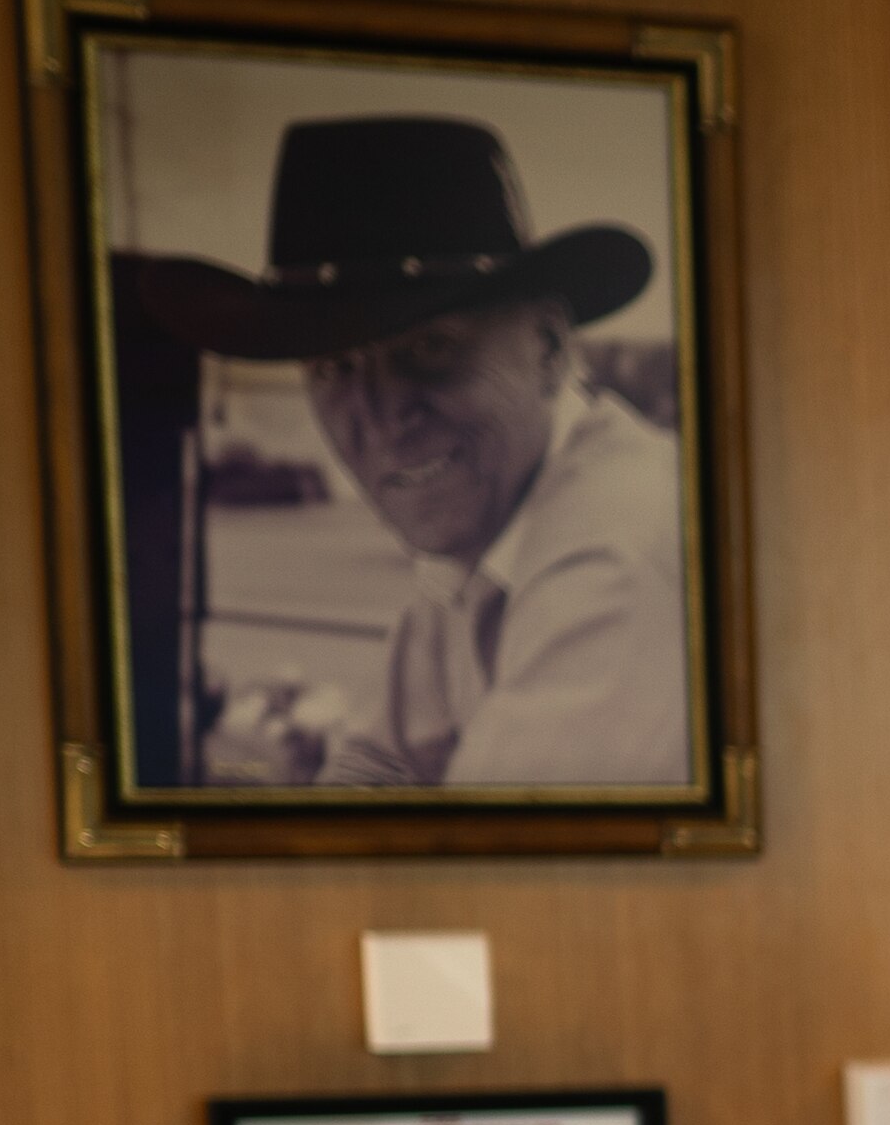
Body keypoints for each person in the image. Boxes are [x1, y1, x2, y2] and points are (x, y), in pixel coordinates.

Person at [126, 117, 692, 792]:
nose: (382, 415)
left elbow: (486, 883)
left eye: (428, 349)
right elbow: (379, 763)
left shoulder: (615, 560)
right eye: (334, 367)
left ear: (547, 348)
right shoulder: (490, 534)